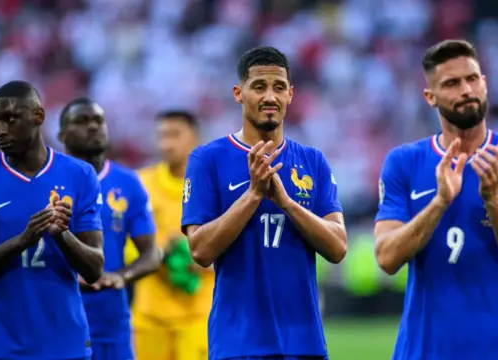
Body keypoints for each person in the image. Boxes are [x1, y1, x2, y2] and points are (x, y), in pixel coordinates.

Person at [374, 40, 498, 359]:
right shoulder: (404, 162)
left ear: (484, 83)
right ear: (430, 97)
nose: (466, 89)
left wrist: (494, 200)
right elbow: (386, 258)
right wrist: (440, 201)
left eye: (472, 78)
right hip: (424, 350)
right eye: (452, 83)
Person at [181, 46, 347, 360]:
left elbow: (338, 247)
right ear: (238, 93)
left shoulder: (312, 161)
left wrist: (287, 203)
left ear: (290, 95)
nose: (269, 96)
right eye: (259, 87)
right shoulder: (207, 159)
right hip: (238, 344)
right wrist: (254, 194)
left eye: (278, 88)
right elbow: (200, 250)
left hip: (305, 344)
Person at [0, 80, 105, 359]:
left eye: (10, 119)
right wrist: (22, 241)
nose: (0, 131)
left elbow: (94, 268)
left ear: (38, 116)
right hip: (3, 346)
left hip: (66, 344)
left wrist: (62, 234)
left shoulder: (80, 174)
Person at [58, 97, 161, 360]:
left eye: (98, 120)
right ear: (62, 134)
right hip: (60, 321)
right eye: (82, 121)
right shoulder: (50, 181)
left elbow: (152, 254)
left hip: (113, 325)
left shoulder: (128, 182)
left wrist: (122, 277)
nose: (93, 126)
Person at [128, 111, 213, 360]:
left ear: (195, 138)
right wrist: (160, 253)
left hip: (199, 315)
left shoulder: (215, 187)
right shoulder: (140, 185)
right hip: (149, 316)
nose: (167, 144)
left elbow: (233, 246)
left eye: (175, 135)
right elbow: (123, 245)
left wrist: (199, 257)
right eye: (162, 136)